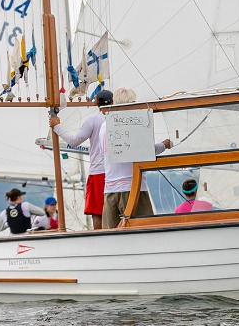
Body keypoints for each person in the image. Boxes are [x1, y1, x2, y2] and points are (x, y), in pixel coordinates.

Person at [100, 87, 172, 228]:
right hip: (134, 187)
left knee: (110, 233)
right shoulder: (132, 122)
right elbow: (147, 150)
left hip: (110, 188)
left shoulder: (104, 126)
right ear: (131, 103)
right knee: (144, 229)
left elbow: (103, 155)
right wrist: (164, 145)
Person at [49, 89, 114, 229]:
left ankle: (100, 239)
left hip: (98, 172)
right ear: (113, 102)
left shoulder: (93, 120)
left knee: (97, 213)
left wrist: (57, 127)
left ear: (96, 103)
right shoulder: (120, 118)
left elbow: (74, 141)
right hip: (117, 171)